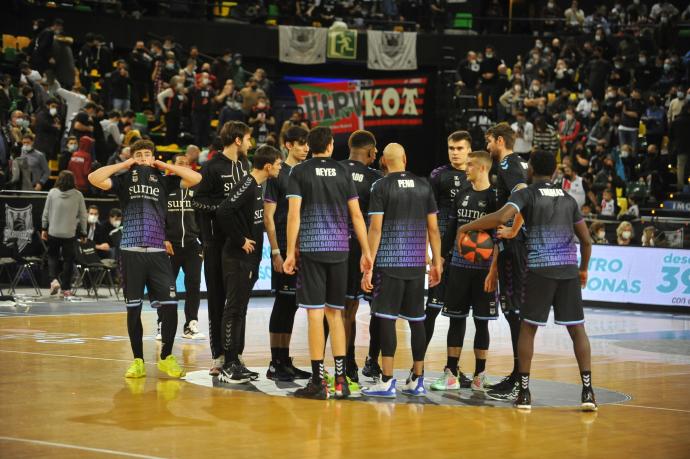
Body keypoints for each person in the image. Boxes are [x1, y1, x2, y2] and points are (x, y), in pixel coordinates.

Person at [458, 150, 596, 411]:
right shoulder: (568, 199)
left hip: (540, 271)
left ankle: (524, 394)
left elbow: (500, 217)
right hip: (567, 271)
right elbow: (587, 241)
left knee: (527, 330)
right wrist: (583, 270)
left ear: (531, 169)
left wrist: (467, 227)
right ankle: (588, 392)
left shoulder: (526, 193)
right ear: (555, 171)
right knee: (577, 330)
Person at [88, 139, 202, 380]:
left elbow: (195, 179)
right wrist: (127, 163)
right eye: (138, 154)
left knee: (171, 308)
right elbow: (94, 178)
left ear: (153, 157)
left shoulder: (164, 179)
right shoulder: (124, 180)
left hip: (158, 253)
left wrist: (160, 164)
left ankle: (166, 357)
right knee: (133, 310)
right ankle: (138, 361)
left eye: (146, 154)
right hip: (131, 252)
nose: (142, 158)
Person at [282, 126, 373, 400]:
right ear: (331, 146)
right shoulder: (343, 172)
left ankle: (318, 382)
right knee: (337, 314)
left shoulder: (300, 171)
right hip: (340, 251)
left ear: (309, 146)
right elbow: (357, 216)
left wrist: (289, 252)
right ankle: (341, 382)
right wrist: (367, 251)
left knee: (314, 314)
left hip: (312, 250)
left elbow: (294, 215)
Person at [360, 143, 443, 398]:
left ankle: (387, 381)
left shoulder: (380, 186)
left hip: (389, 262)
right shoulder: (423, 185)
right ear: (405, 158)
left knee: (386, 319)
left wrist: (368, 264)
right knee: (417, 321)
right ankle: (417, 380)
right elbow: (433, 229)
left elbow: (375, 229)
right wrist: (435, 261)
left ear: (384, 162)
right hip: (416, 264)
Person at [430, 151, 498, 393]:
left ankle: (480, 375)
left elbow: (498, 237)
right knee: (455, 320)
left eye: (470, 165)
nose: (465, 168)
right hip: (459, 267)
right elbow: (451, 230)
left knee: (482, 323)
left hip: (483, 270)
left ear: (481, 168)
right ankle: (451, 372)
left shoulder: (494, 197)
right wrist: (439, 260)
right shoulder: (462, 194)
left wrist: (494, 269)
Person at [215, 145, 283, 383]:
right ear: (268, 166)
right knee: (233, 309)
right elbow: (223, 212)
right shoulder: (246, 184)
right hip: (237, 258)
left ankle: (235, 361)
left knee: (240, 310)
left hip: (249, 260)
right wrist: (240, 239)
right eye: (278, 164)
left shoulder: (255, 187)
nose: (279, 168)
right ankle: (228, 363)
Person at [192, 121, 250, 376]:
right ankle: (218, 356)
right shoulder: (212, 167)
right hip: (216, 243)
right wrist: (223, 209)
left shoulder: (245, 166)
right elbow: (197, 202)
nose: (250, 143)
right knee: (217, 300)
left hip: (239, 243)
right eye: (247, 138)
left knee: (238, 303)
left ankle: (235, 354)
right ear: (237, 139)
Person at [483, 122, 528, 401]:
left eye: (488, 141)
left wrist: (512, 229)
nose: (487, 147)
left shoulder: (510, 165)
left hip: (515, 247)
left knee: (515, 316)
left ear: (500, 141)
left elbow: (523, 194)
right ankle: (516, 375)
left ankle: (519, 380)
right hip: (510, 247)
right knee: (513, 315)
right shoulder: (513, 164)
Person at [263, 126, 311, 381]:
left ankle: (285, 360)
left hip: (303, 250)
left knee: (291, 305)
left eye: (307, 144)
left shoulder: (306, 172)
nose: (306, 148)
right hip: (284, 248)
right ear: (289, 144)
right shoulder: (278, 175)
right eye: (301, 144)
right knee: (282, 303)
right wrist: (276, 252)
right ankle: (275, 362)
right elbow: (268, 217)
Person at [339, 130, 382, 382]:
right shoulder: (375, 178)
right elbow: (375, 223)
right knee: (359, 309)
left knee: (334, 310)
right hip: (361, 248)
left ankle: (340, 364)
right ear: (370, 151)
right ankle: (362, 363)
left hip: (331, 244)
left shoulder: (334, 170)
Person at [424, 131, 470, 364]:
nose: (455, 152)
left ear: (470, 150)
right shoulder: (438, 175)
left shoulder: (480, 176)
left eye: (460, 148)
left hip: (469, 255)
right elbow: (427, 215)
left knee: (459, 314)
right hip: (441, 254)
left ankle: (452, 369)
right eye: (451, 148)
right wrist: (429, 251)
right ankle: (417, 368)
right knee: (431, 310)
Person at [155, 154, 205, 341]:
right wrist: (163, 238)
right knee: (166, 287)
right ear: (172, 167)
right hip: (170, 245)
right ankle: (162, 325)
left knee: (194, 286)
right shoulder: (165, 185)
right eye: (179, 164)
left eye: (186, 164)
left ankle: (191, 325)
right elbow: (157, 214)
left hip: (192, 245)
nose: (183, 167)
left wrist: (203, 242)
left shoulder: (197, 187)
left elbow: (202, 216)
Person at [41, 170, 87, 298]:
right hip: (69, 233)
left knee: (52, 257)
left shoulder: (52, 193)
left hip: (53, 232)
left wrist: (44, 228)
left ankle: (54, 280)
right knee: (68, 260)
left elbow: (46, 212)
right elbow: (83, 216)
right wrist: (83, 232)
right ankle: (66, 289)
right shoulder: (78, 195)